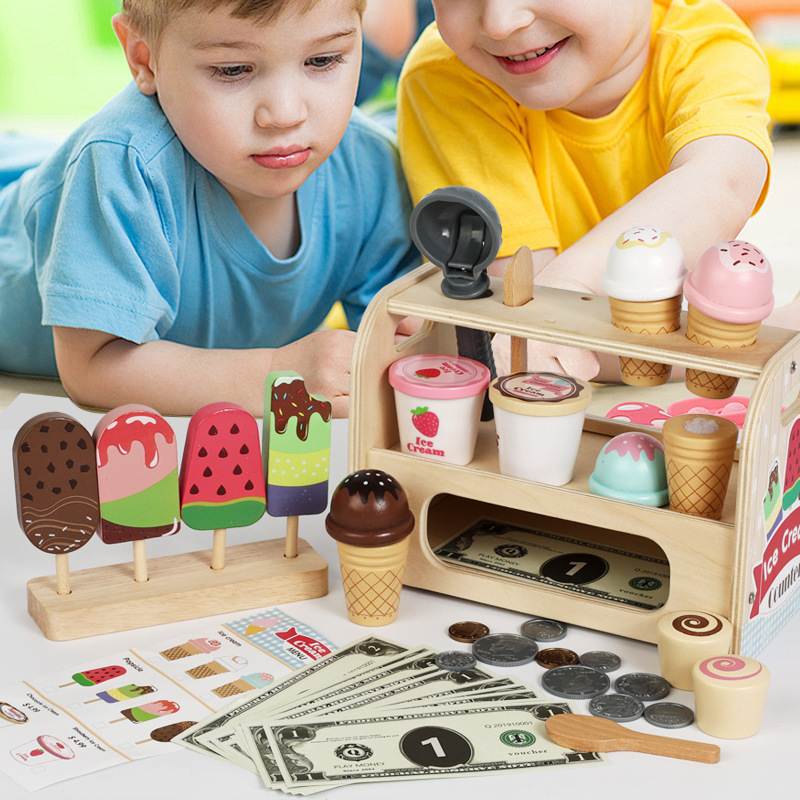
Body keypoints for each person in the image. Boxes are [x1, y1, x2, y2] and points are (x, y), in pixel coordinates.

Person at [0, 0, 420, 418]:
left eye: (323, 59)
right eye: (233, 70)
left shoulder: (373, 168)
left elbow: (401, 336)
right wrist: (277, 373)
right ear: (143, 59)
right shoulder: (121, 165)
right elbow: (92, 367)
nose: (285, 114)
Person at [397, 0, 774, 381]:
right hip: (562, 389)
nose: (499, 23)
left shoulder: (706, 49)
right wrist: (741, 346)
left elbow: (719, 183)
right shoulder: (448, 75)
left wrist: (564, 290)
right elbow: (525, 323)